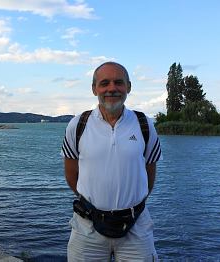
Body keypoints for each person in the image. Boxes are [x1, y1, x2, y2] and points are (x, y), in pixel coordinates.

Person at [61, 61, 162, 261]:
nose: (112, 88)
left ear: (128, 87)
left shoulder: (144, 124)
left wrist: (130, 202)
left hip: (136, 229)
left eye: (119, 82)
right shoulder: (78, 125)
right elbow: (71, 175)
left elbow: (149, 174)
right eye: (104, 83)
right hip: (87, 228)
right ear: (94, 89)